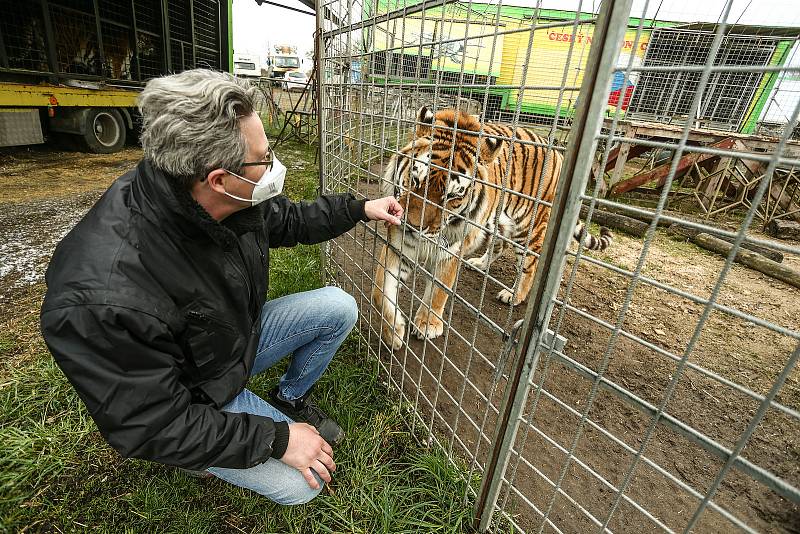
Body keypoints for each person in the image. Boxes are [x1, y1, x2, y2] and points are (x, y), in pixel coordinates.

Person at [39, 69, 403, 505]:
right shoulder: (101, 296)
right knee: (301, 486)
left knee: (338, 305)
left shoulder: (215, 196)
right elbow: (152, 423)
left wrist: (360, 207)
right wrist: (275, 439)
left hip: (225, 345)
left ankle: (287, 397)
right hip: (189, 396)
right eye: (264, 159)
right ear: (217, 177)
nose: (273, 168)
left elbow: (286, 220)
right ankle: (219, 444)